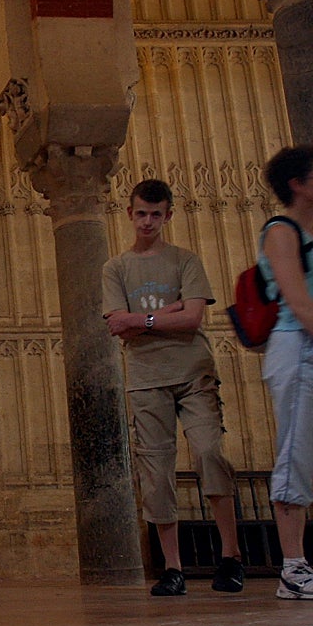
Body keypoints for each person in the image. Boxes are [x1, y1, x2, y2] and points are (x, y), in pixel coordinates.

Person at [103, 178, 244, 597]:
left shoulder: (186, 260)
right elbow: (117, 326)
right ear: (129, 214)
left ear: (168, 215)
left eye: (156, 214)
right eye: (141, 213)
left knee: (209, 454)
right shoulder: (116, 268)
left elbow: (193, 319)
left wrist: (143, 319)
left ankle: (231, 556)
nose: (148, 221)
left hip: (194, 372)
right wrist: (171, 309)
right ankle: (173, 566)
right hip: (146, 380)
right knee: (156, 471)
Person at [258, 147, 313, 599]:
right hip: (298, 347)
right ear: (298, 183)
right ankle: (293, 569)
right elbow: (298, 302)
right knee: (296, 451)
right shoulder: (281, 231)